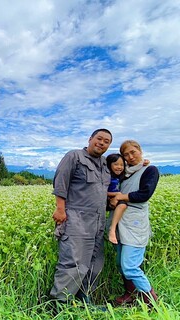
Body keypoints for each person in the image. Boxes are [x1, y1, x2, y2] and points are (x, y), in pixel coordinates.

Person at [50, 128, 112, 304]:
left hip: (99, 221)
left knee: (95, 264)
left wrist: (142, 163)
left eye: (106, 141)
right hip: (77, 218)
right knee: (73, 263)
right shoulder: (74, 156)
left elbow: (123, 170)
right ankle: (60, 305)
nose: (102, 143)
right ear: (90, 139)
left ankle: (85, 302)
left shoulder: (106, 163)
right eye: (99, 139)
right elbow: (61, 182)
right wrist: (60, 209)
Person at [109, 140, 159, 307]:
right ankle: (130, 294)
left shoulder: (150, 170)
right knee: (121, 264)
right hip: (120, 223)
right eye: (126, 155)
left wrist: (120, 197)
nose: (130, 157)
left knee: (130, 265)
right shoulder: (123, 174)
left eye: (133, 152)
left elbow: (145, 194)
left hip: (135, 224)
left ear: (140, 150)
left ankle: (152, 301)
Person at [106, 153, 127, 245]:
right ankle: (112, 229)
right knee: (122, 205)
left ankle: (112, 229)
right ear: (109, 165)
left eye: (122, 165)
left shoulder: (120, 177)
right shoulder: (106, 177)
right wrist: (116, 194)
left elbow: (134, 168)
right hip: (105, 200)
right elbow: (101, 191)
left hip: (115, 199)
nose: (119, 167)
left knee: (122, 205)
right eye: (116, 164)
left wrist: (144, 162)